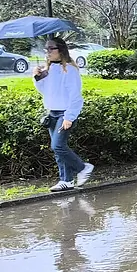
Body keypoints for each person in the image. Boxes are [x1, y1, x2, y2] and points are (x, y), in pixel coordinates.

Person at [34, 37, 94, 192]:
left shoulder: (70, 70)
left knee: (58, 145)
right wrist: (37, 78)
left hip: (64, 113)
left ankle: (83, 168)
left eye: (51, 48)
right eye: (46, 49)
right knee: (58, 149)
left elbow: (76, 97)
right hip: (52, 113)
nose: (47, 52)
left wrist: (69, 117)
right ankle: (66, 180)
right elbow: (45, 91)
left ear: (60, 49)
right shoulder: (48, 69)